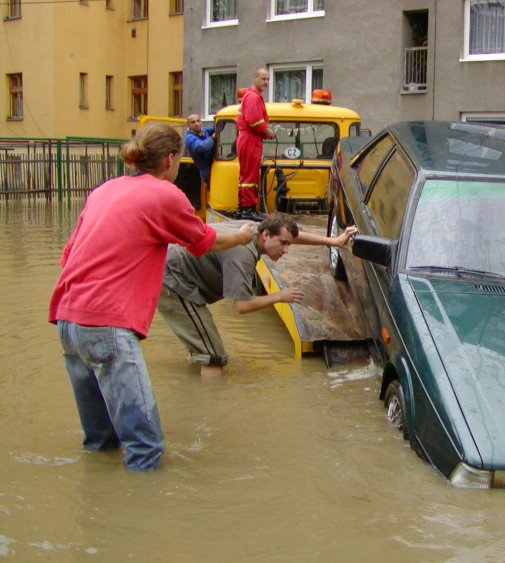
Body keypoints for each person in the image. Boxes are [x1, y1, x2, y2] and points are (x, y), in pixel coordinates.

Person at [49, 122, 257, 471]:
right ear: (170, 160)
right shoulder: (165, 194)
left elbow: (68, 256)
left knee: (99, 441)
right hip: (107, 324)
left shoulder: (103, 191)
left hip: (68, 321)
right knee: (146, 448)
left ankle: (99, 506)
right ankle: (140, 515)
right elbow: (202, 241)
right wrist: (241, 235)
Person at [158, 213, 357, 378]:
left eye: (289, 244)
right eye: (283, 244)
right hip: (173, 282)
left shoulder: (252, 229)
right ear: (266, 235)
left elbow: (292, 236)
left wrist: (334, 241)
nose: (287, 250)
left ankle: (192, 383)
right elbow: (242, 306)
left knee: (203, 347)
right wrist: (279, 296)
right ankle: (211, 411)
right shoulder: (242, 255)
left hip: (172, 272)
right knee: (214, 357)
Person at [236, 67, 276, 222]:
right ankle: (248, 209)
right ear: (254, 78)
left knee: (247, 174)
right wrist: (268, 131)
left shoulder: (252, 96)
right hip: (250, 139)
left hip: (250, 139)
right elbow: (254, 121)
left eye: (268, 79)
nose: (266, 82)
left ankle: (243, 207)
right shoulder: (252, 97)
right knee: (250, 176)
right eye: (263, 79)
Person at [184, 113, 215, 187]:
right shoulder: (189, 138)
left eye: (198, 121)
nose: (196, 124)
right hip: (206, 170)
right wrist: (212, 138)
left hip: (213, 164)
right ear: (188, 125)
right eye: (193, 122)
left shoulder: (204, 130)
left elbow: (216, 127)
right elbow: (201, 147)